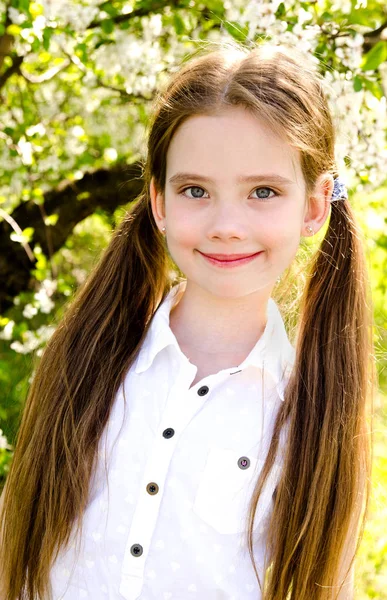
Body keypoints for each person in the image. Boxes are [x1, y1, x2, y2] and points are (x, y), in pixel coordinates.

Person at [0, 40, 372, 600]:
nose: (226, 224)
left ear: (314, 206)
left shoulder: (314, 414)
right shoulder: (89, 358)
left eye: (263, 192)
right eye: (195, 190)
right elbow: (15, 542)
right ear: (159, 202)